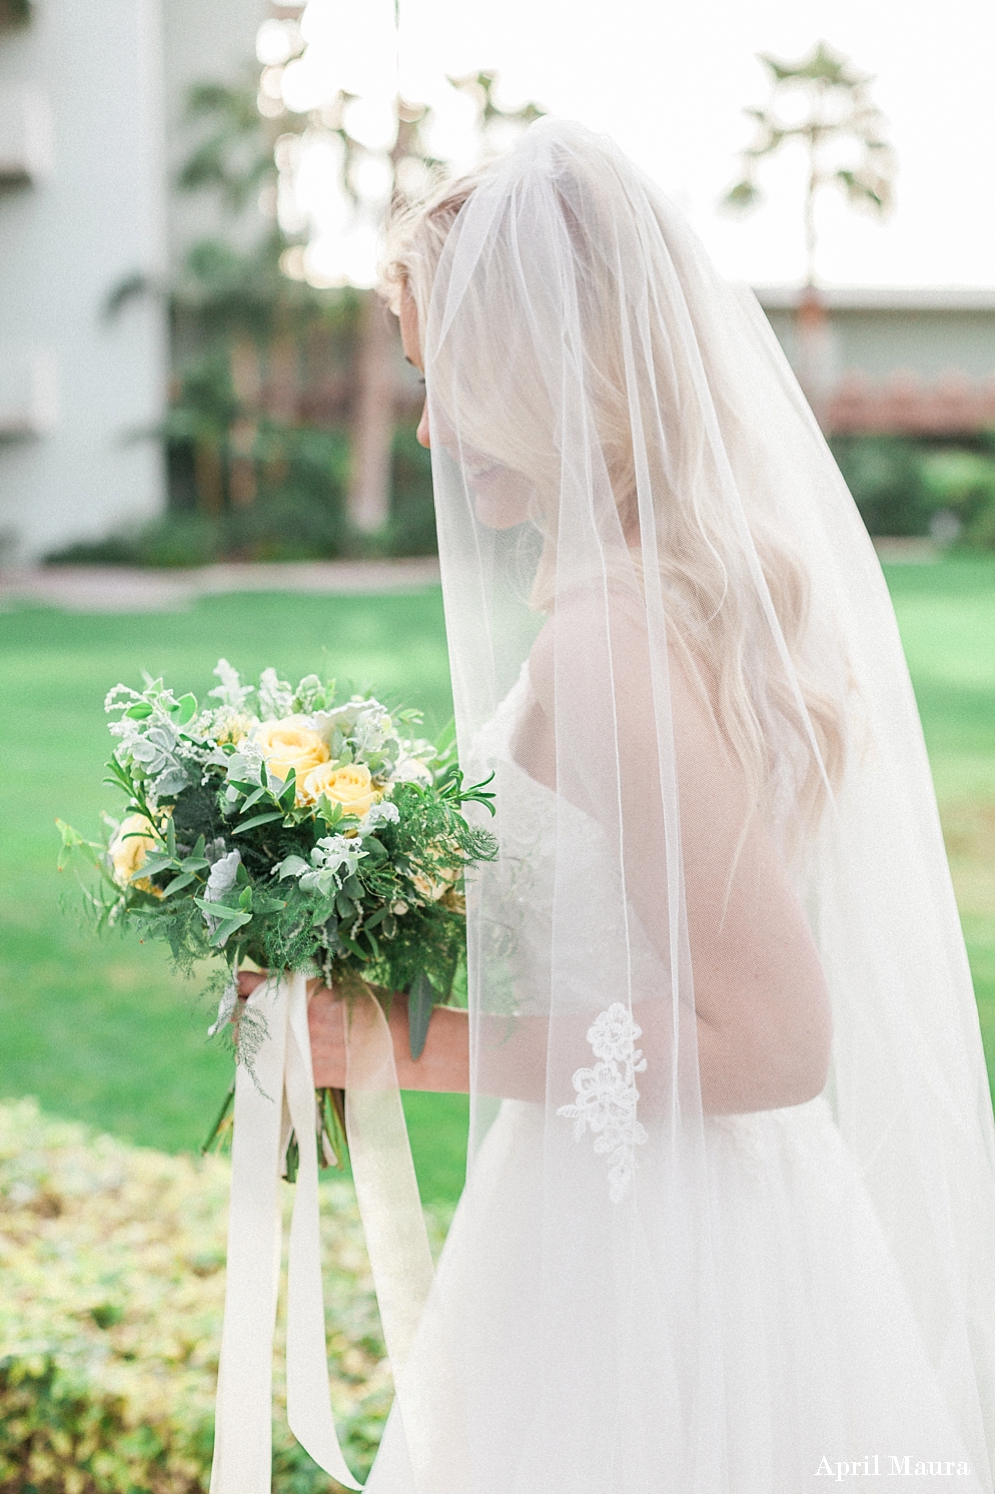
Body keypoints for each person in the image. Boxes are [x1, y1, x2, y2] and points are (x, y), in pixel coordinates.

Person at [247, 120, 995, 1491]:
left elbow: (773, 1036)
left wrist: (405, 1042)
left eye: (449, 379)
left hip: (645, 1258)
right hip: (696, 1211)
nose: (427, 426)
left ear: (548, 374)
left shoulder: (608, 643)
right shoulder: (678, 601)